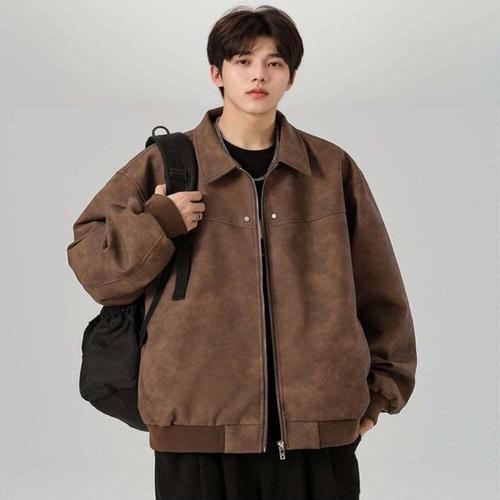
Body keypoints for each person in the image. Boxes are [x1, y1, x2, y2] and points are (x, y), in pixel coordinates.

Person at [67, 5, 417, 500]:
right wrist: (159, 222)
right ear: (217, 73)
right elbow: (94, 268)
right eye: (243, 61)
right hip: (196, 426)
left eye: (274, 63)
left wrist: (380, 393)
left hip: (319, 426)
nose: (258, 75)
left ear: (291, 76)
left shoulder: (330, 169)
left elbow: (380, 288)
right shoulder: (165, 165)